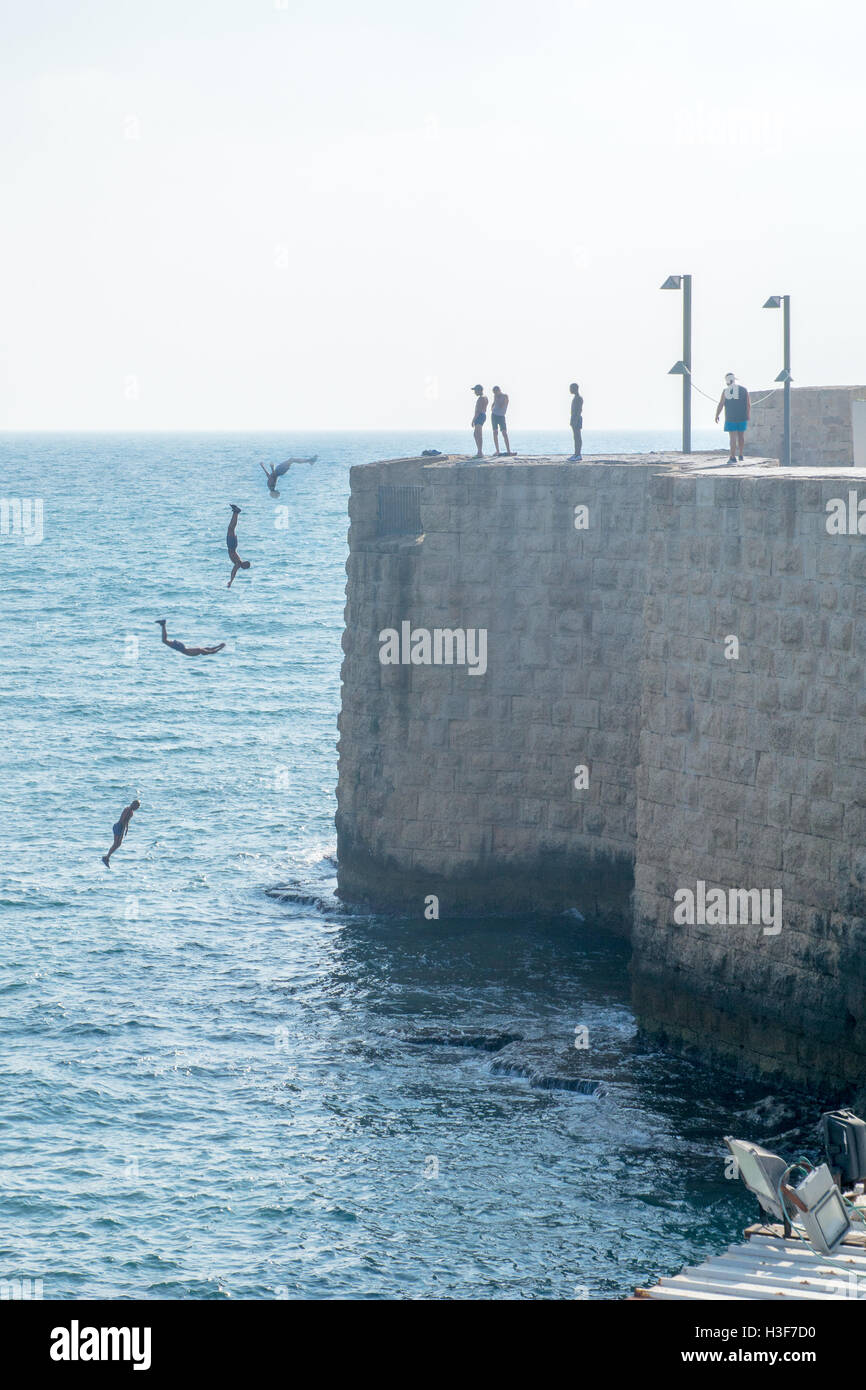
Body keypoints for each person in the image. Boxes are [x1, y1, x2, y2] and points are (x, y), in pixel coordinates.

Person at [715, 372, 750, 463]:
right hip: (742, 417)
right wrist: (747, 415)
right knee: (741, 436)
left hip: (730, 417)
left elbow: (721, 404)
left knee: (732, 438)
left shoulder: (725, 391)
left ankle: (732, 456)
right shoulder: (744, 390)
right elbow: (748, 404)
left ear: (727, 381)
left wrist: (717, 415)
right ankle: (741, 454)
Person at [155, 619, 225, 657]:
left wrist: (219, 646)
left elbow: (210, 649)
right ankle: (163, 624)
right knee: (164, 641)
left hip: (182, 647)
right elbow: (212, 652)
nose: (205, 653)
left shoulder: (201, 650)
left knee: (165, 640)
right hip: (181, 648)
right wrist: (221, 647)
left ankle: (163, 625)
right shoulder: (201, 651)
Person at [102, 800, 140, 868]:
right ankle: (106, 857)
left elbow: (127, 820)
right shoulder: (129, 810)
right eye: (137, 806)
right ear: (133, 804)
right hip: (119, 827)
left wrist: (127, 828)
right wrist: (123, 830)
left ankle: (107, 857)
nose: (137, 808)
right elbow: (123, 820)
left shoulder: (129, 810)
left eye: (138, 807)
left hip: (119, 826)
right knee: (117, 844)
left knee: (117, 844)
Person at [226, 504, 251, 587]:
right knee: (231, 528)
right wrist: (231, 581)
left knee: (231, 528)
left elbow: (234, 571)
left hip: (233, 545)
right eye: (245, 567)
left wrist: (231, 581)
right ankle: (236, 512)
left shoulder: (238, 562)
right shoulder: (238, 563)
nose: (243, 568)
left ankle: (235, 512)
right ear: (244, 565)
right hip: (232, 546)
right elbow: (233, 572)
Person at [491, 386, 512, 456]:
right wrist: (492, 407)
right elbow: (494, 403)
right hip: (494, 415)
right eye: (494, 393)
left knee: (504, 433)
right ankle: (497, 451)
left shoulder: (505, 396)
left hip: (501, 416)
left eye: (495, 392)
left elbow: (501, 405)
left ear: (499, 390)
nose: (495, 394)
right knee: (495, 432)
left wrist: (497, 399)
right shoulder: (495, 396)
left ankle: (508, 451)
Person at [470, 385, 488, 459]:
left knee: (478, 434)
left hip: (479, 416)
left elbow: (478, 410)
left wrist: (473, 420)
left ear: (479, 390)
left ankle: (480, 452)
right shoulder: (485, 397)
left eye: (475, 390)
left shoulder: (481, 398)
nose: (474, 392)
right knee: (476, 434)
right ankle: (479, 451)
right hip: (482, 415)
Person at [569, 383, 584, 461]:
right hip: (574, 419)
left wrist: (575, 420)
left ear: (575, 388)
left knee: (577, 437)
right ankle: (576, 454)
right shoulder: (576, 398)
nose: (570, 390)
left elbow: (579, 410)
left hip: (577, 419)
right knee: (575, 437)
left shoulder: (578, 398)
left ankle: (578, 454)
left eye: (571, 388)